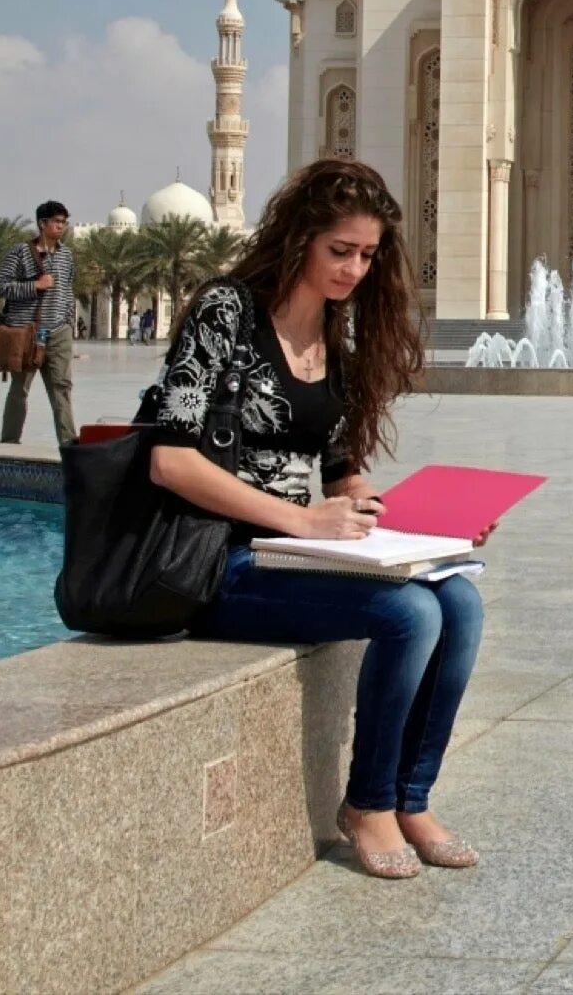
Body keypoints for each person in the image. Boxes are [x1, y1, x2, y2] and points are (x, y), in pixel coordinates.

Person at [147, 159, 481, 881]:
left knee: (459, 598)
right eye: (341, 251)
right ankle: (366, 804)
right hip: (219, 559)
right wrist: (298, 520)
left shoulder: (333, 338)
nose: (354, 269)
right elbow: (170, 461)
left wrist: (427, 526)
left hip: (293, 551)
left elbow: (342, 474)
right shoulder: (227, 313)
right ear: (299, 238)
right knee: (409, 616)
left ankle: (409, 797)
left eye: (367, 255)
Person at [0, 200, 78, 445]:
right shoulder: (20, 253)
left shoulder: (66, 255)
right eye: (56, 221)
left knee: (62, 389)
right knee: (19, 391)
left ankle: (69, 444)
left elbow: (67, 289)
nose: (61, 226)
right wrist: (34, 286)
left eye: (64, 222)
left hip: (59, 332)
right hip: (27, 333)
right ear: (42, 224)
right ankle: (9, 443)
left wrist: (68, 322)